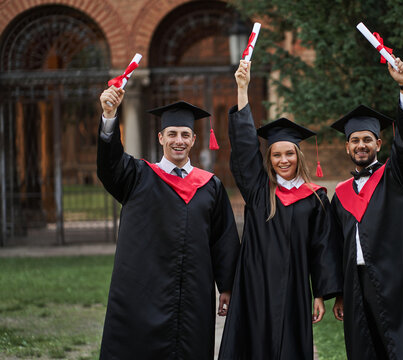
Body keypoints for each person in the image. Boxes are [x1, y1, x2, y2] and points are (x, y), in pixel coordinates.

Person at [97, 86, 240, 360]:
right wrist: (109, 116)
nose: (179, 140)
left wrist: (227, 285)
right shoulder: (136, 176)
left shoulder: (210, 186)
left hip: (192, 293)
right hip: (143, 290)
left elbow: (223, 239)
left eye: (185, 134)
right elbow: (109, 165)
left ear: (194, 139)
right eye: (172, 134)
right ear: (160, 137)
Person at [218, 60, 342, 360]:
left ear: (298, 156)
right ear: (269, 159)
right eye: (276, 155)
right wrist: (243, 89)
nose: (283, 160)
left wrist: (320, 294)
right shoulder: (260, 192)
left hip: (294, 290)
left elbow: (322, 249)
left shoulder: (316, 199)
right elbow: (246, 148)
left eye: (289, 153)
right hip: (254, 287)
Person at [330, 57, 403, 359]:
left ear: (379, 143)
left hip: (395, 277)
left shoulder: (394, 177)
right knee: (365, 347)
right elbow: (333, 247)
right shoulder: (339, 195)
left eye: (367, 140)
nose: (360, 145)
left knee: (400, 347)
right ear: (347, 146)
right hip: (356, 283)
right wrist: (338, 292)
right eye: (354, 140)